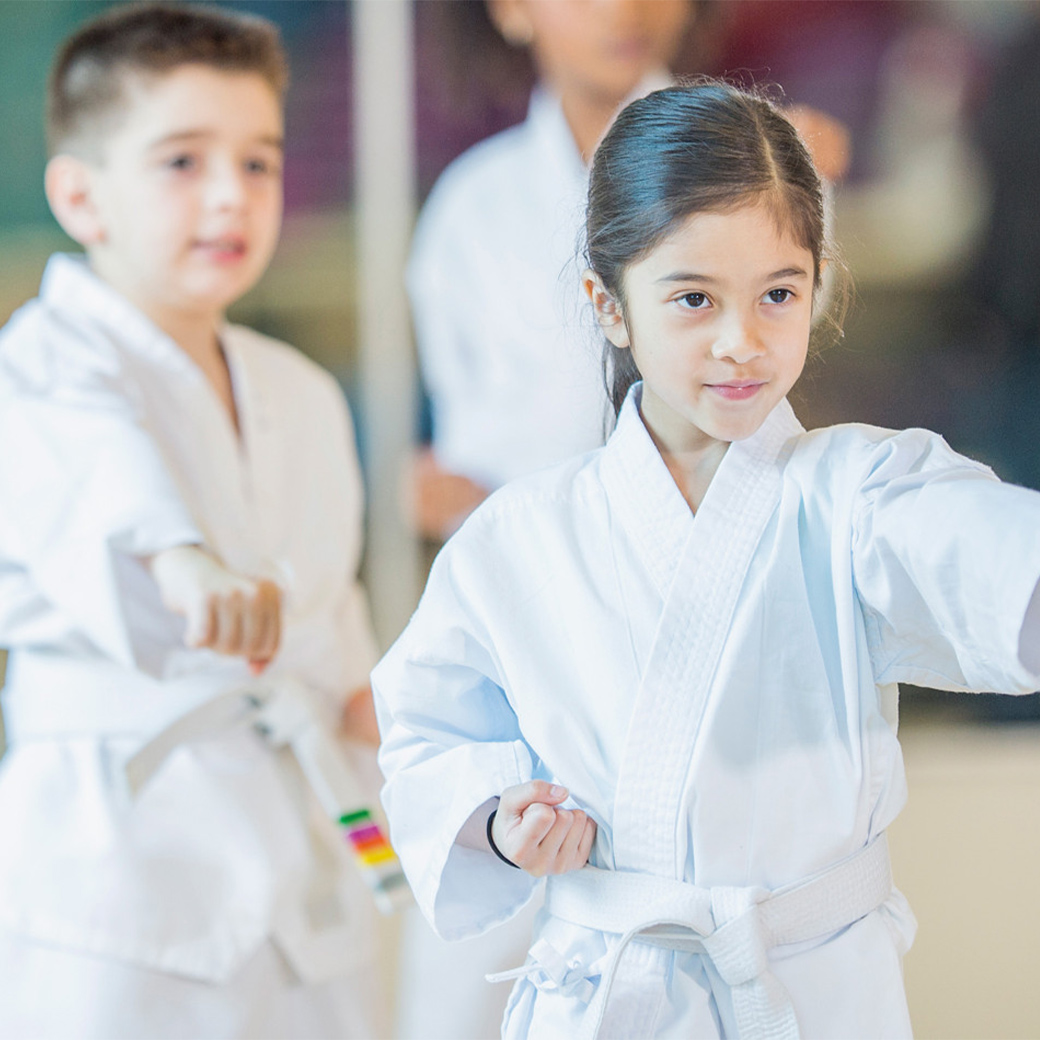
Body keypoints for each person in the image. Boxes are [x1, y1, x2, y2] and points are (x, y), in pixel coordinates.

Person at [374, 81, 1040, 1038]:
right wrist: (497, 820)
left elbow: (981, 551)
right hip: (608, 991)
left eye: (779, 294)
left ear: (819, 286)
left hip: (809, 994)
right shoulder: (518, 536)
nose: (742, 343)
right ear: (608, 305)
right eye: (694, 298)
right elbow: (427, 734)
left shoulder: (860, 494)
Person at [0, 5, 393, 1037]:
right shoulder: (41, 363)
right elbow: (105, 479)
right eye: (182, 161)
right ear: (81, 196)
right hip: (118, 868)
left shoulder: (302, 392)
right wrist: (185, 564)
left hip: (307, 842)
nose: (231, 195)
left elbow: (335, 640)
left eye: (258, 162)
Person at [408, 0, 850, 541]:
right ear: (510, 8)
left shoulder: (766, 165)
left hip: (733, 532)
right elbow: (468, 451)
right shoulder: (470, 209)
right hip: (540, 554)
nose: (623, 10)